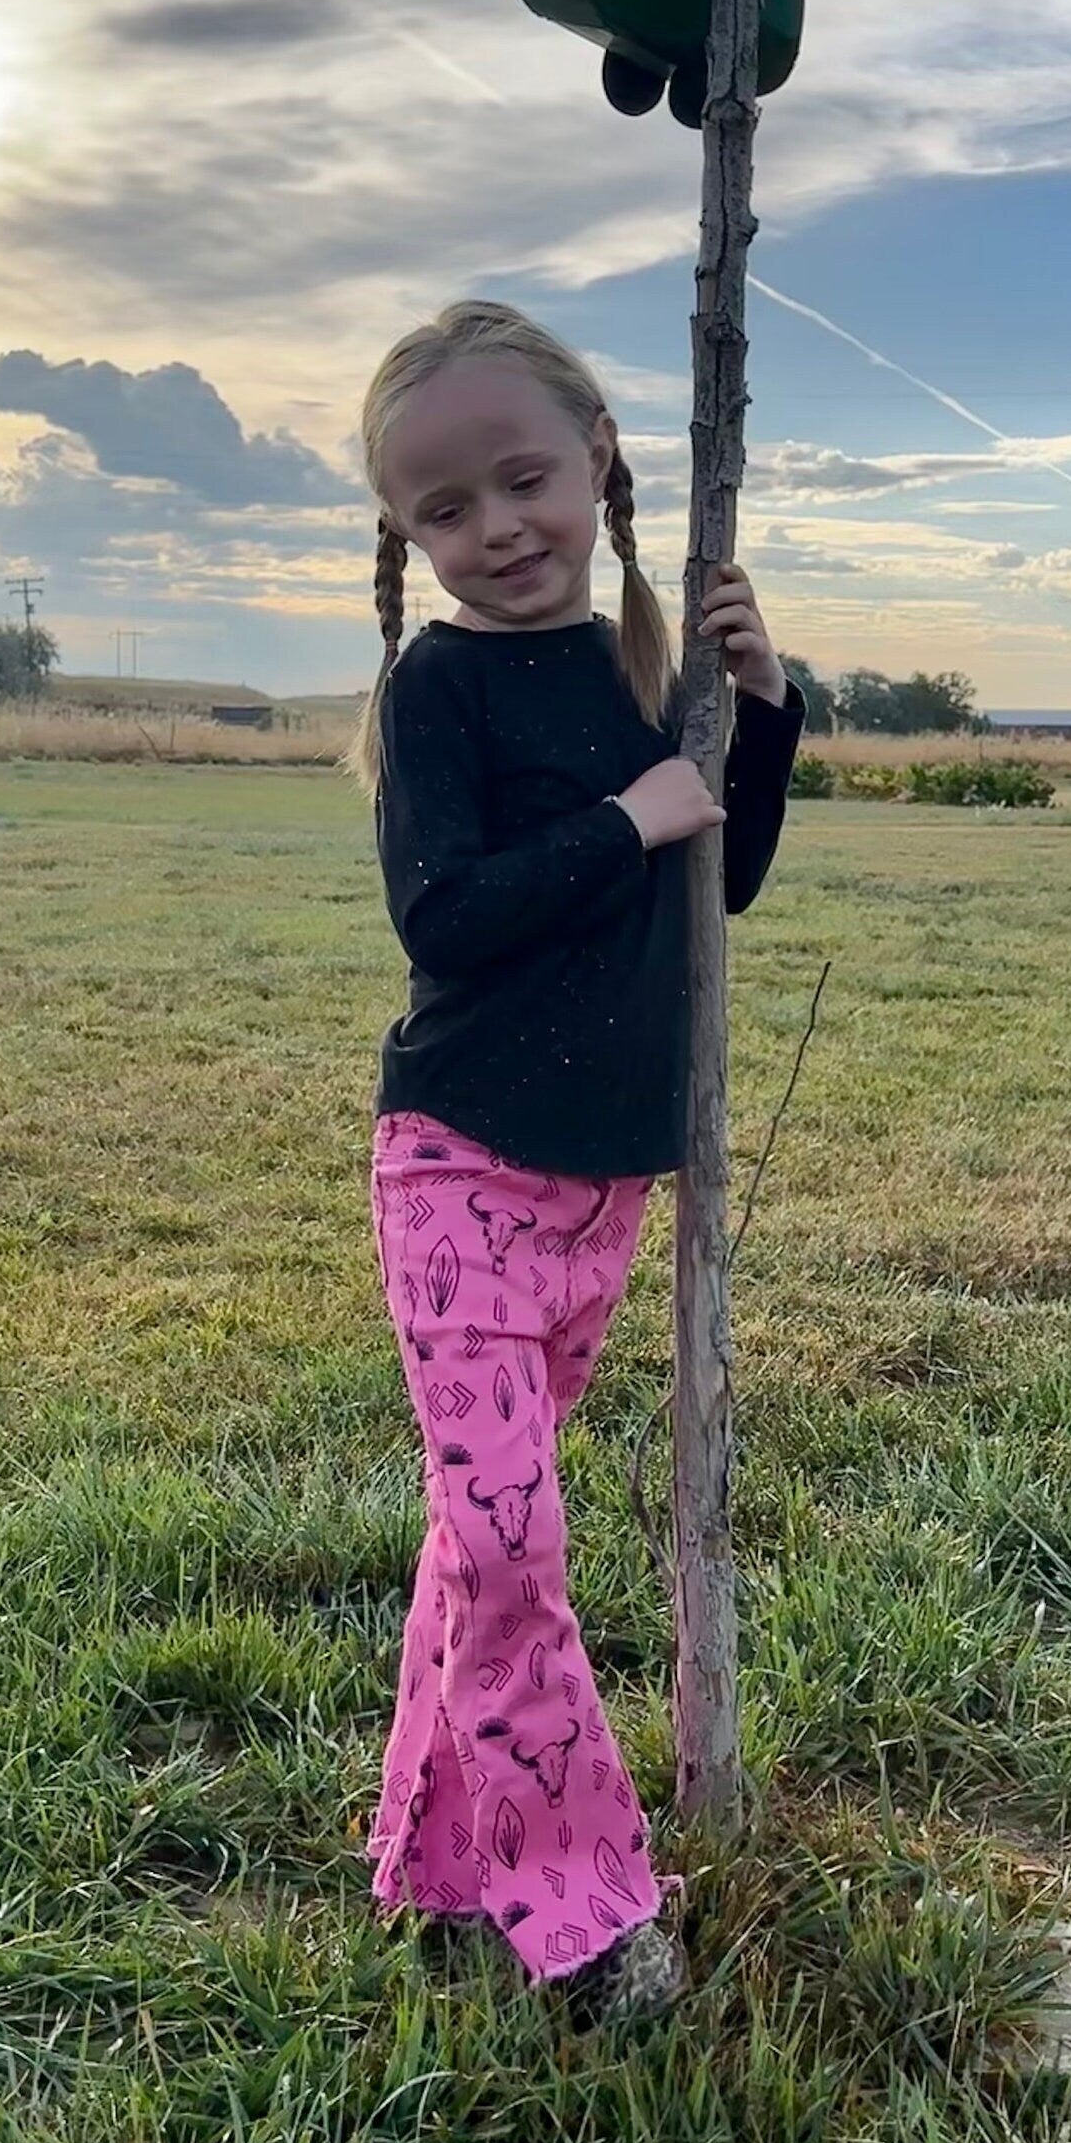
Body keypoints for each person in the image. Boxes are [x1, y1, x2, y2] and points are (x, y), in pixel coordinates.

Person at [348, 299, 802, 2026]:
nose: (494, 530)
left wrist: (750, 717)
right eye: (443, 511)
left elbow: (718, 885)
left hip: (602, 1195)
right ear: (408, 537)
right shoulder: (439, 689)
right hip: (458, 1166)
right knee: (512, 1540)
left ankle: (434, 1855)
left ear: (599, 456)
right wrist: (628, 815)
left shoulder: (643, 669)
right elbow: (442, 921)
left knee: (479, 1548)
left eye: (522, 479)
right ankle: (589, 1907)